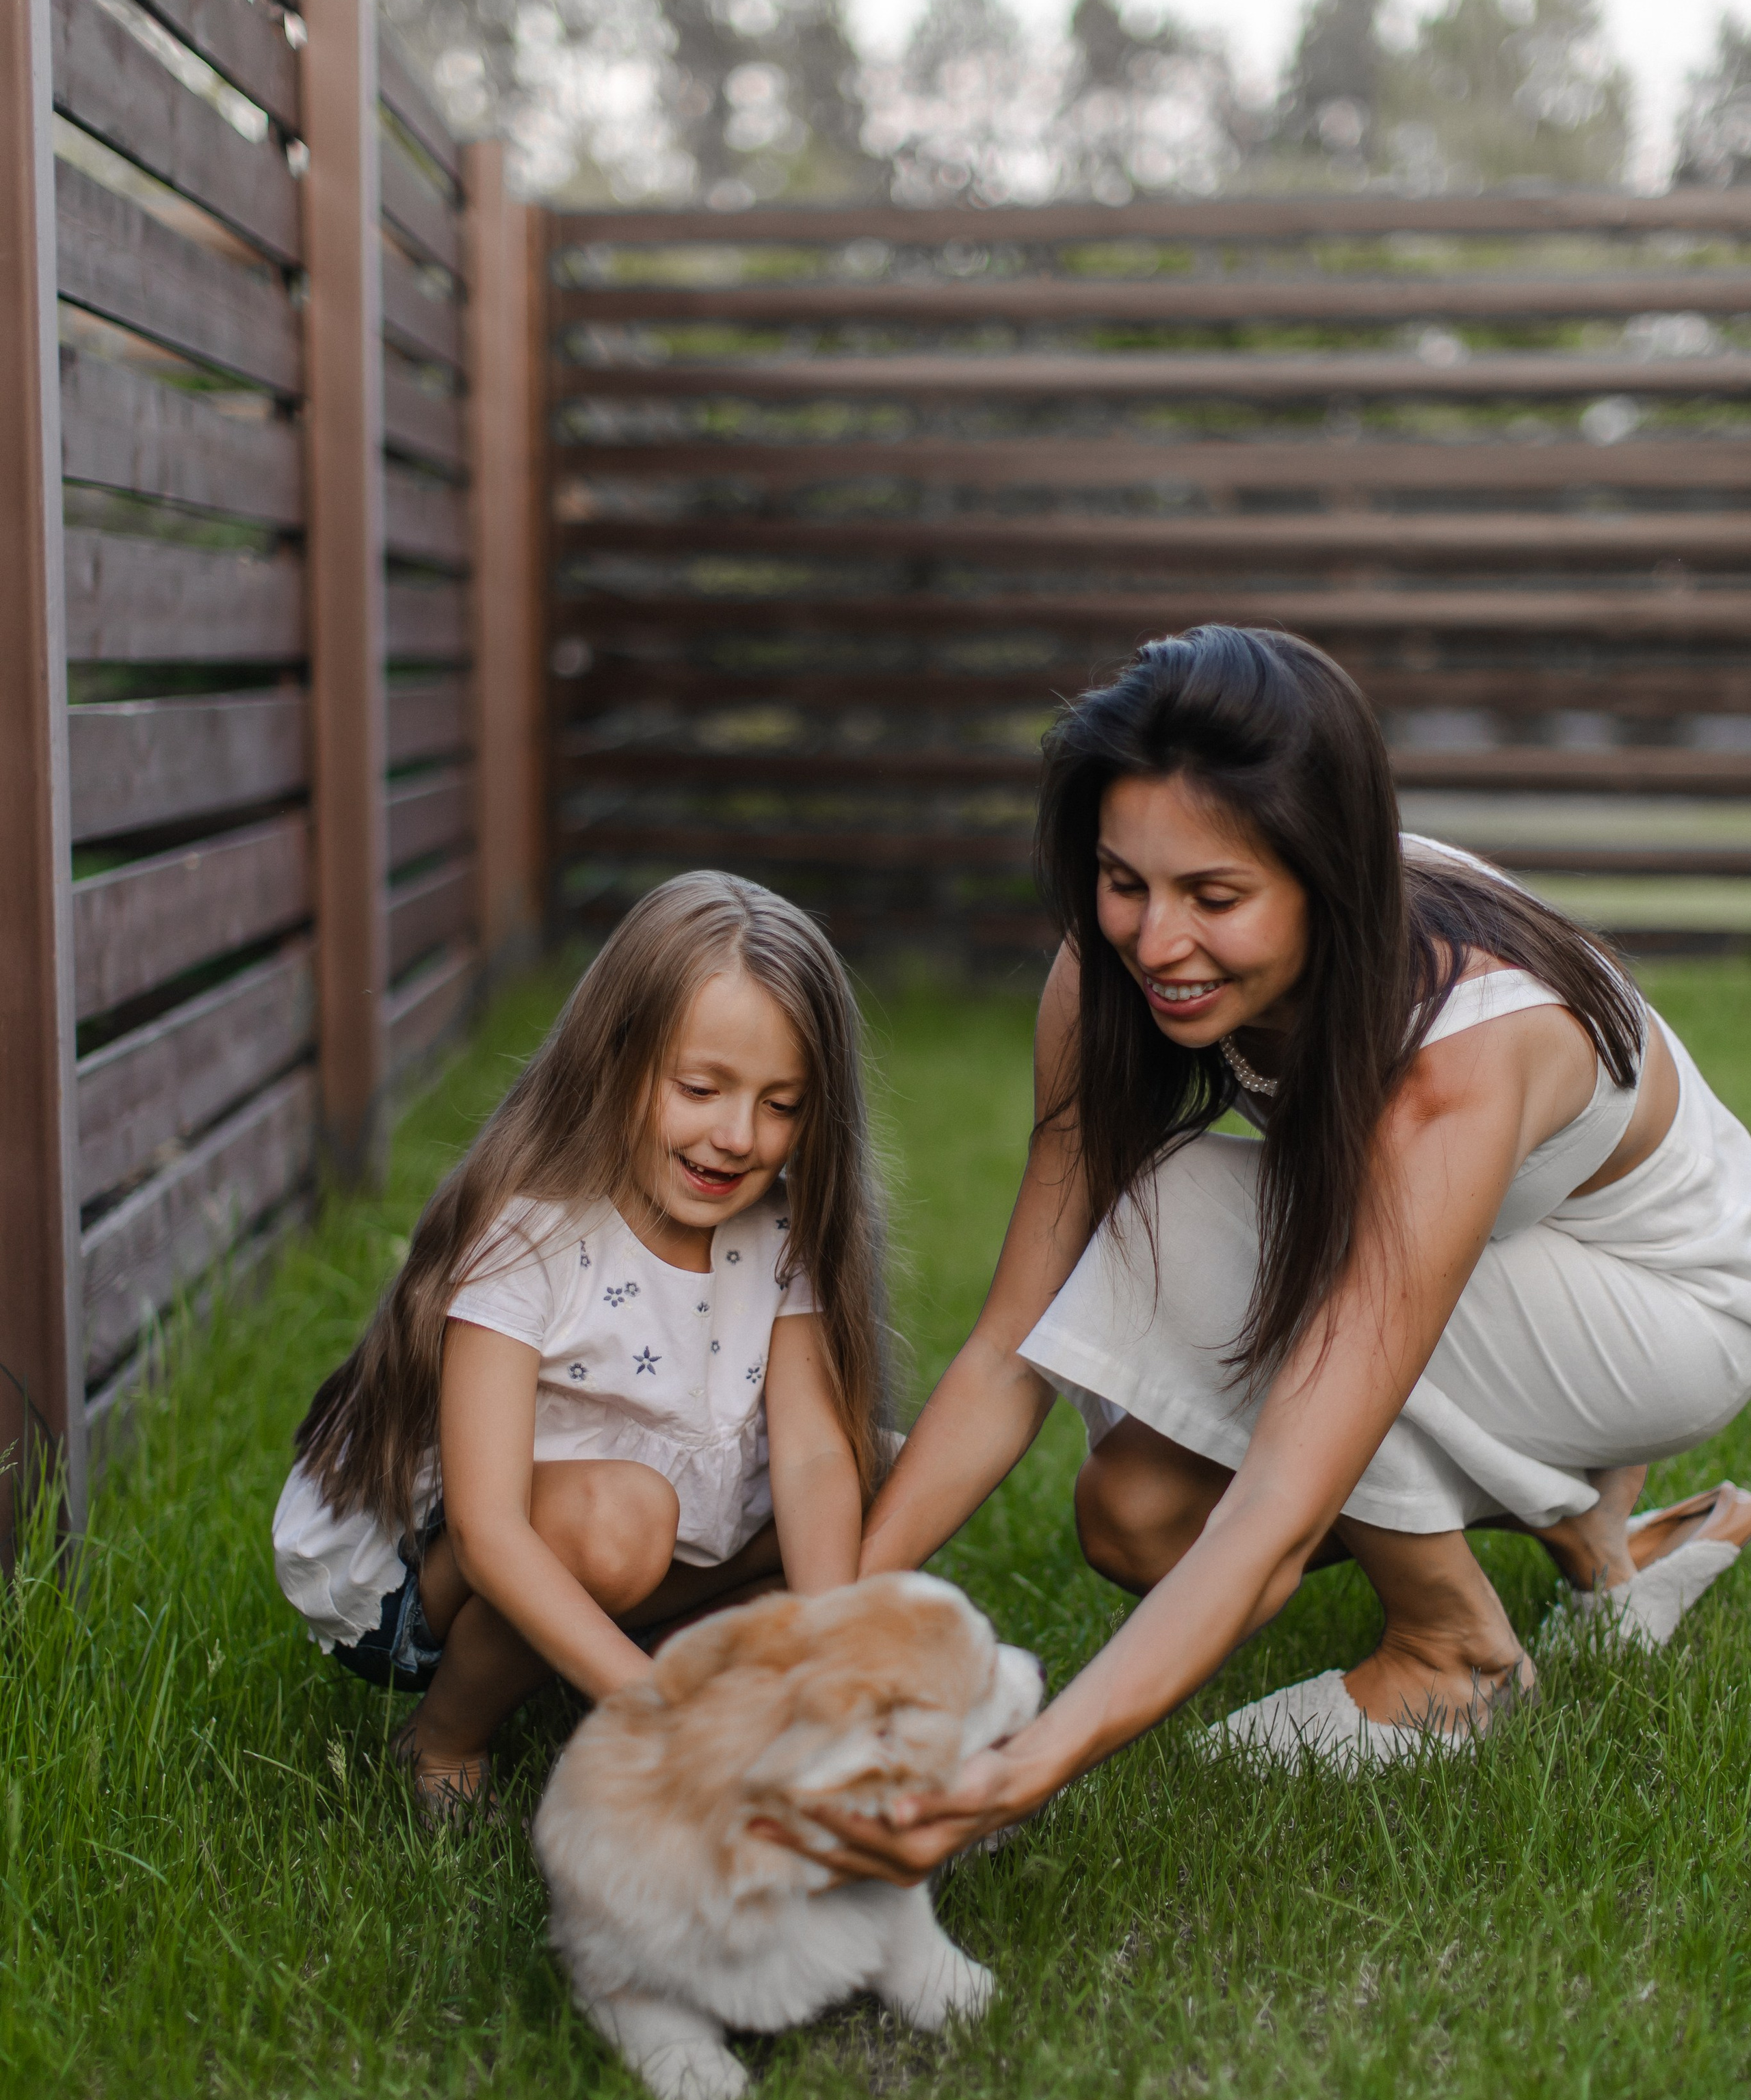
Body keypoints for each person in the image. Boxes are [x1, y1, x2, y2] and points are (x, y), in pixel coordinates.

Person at [793, 627, 1751, 1881]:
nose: (1153, 940)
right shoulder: (1113, 970)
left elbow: (1281, 1512)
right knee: (1135, 1520)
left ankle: (1456, 1653)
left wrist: (1016, 1772)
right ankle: (1581, 1521)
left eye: (1216, 898)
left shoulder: (1459, 1051)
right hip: (1497, 1271)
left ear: (1328, 875)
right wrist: (807, 1633)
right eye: (1122, 880)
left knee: (1197, 1203)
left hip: (1667, 1312)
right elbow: (1003, 1352)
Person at [272, 872, 888, 1814]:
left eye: (782, 1105)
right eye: (701, 1087)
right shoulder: (534, 1234)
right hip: (432, 1582)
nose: (737, 1136)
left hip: (645, 1533)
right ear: (617, 1055)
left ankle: (752, 1693)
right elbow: (486, 1531)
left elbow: (808, 1457)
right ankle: (442, 1737)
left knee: (882, 1475)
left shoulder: (781, 1228)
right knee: (619, 1521)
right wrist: (659, 1717)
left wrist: (838, 1658)